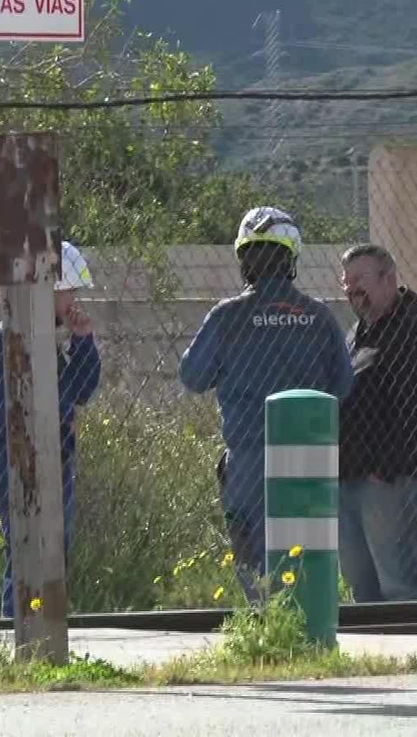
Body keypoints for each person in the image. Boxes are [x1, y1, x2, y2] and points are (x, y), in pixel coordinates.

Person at [179, 206, 354, 603]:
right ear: (290, 258)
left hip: (249, 457)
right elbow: (343, 386)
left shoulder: (227, 317)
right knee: (307, 552)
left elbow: (192, 377)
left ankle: (267, 625)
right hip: (310, 454)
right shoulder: (319, 317)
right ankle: (307, 623)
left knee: (253, 553)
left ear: (244, 259)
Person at [0, 241, 102, 618]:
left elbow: (82, 390)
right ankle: (18, 626)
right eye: (69, 293)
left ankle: (44, 621)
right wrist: (62, 415)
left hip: (57, 459)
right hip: (19, 462)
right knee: (26, 549)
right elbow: (4, 407)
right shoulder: (3, 341)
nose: (74, 301)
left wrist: (82, 343)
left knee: (54, 550)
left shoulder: (48, 341)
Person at [337, 243, 417, 603]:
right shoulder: (357, 334)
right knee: (361, 586)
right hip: (350, 477)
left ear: (389, 278)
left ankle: (414, 654)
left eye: (360, 279)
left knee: (398, 584)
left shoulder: (414, 333)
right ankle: (375, 658)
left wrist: (385, 471)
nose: (352, 288)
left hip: (389, 483)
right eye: (346, 281)